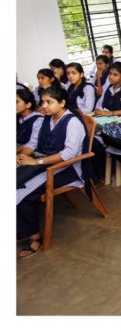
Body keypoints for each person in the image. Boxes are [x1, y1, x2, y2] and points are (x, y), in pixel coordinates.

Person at [16, 87, 89, 259]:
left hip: (67, 168)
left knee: (21, 194)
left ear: (62, 103)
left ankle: (35, 237)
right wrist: (21, 157)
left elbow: (69, 154)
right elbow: (33, 144)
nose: (45, 106)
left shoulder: (72, 122)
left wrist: (36, 162)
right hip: (45, 163)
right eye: (43, 102)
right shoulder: (45, 120)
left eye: (50, 102)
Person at [16, 88, 43, 154]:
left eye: (17, 102)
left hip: (28, 154)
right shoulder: (18, 116)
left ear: (28, 105)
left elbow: (32, 143)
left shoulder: (38, 120)